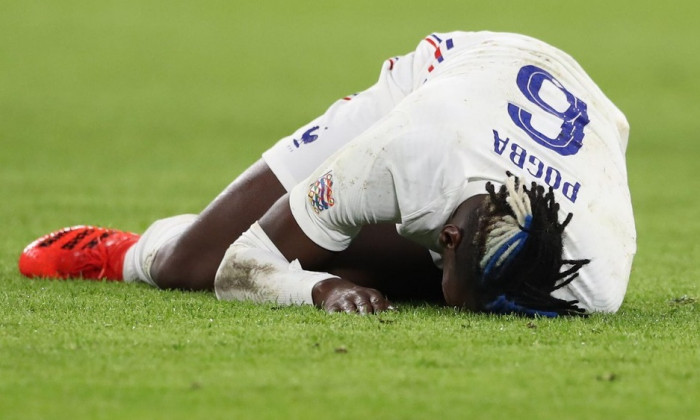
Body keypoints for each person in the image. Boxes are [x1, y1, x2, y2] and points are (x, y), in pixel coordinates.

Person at [18, 31, 636, 316]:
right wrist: (315, 288)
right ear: (448, 237)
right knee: (192, 266)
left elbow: (617, 130)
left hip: (574, 112)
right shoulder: (400, 152)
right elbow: (244, 264)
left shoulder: (594, 271)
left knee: (383, 277)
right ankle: (119, 253)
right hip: (448, 76)